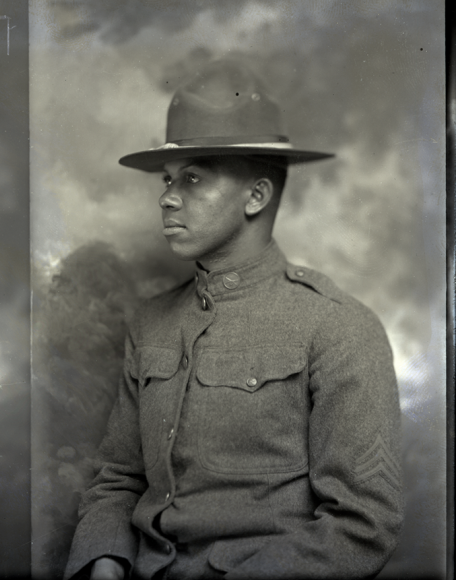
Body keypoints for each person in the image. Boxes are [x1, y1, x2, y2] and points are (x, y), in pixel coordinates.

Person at [64, 59, 402, 580]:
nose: (167, 197)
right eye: (168, 178)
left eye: (193, 178)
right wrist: (104, 564)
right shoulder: (152, 322)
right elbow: (119, 478)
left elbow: (360, 526)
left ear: (257, 196)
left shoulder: (338, 327)